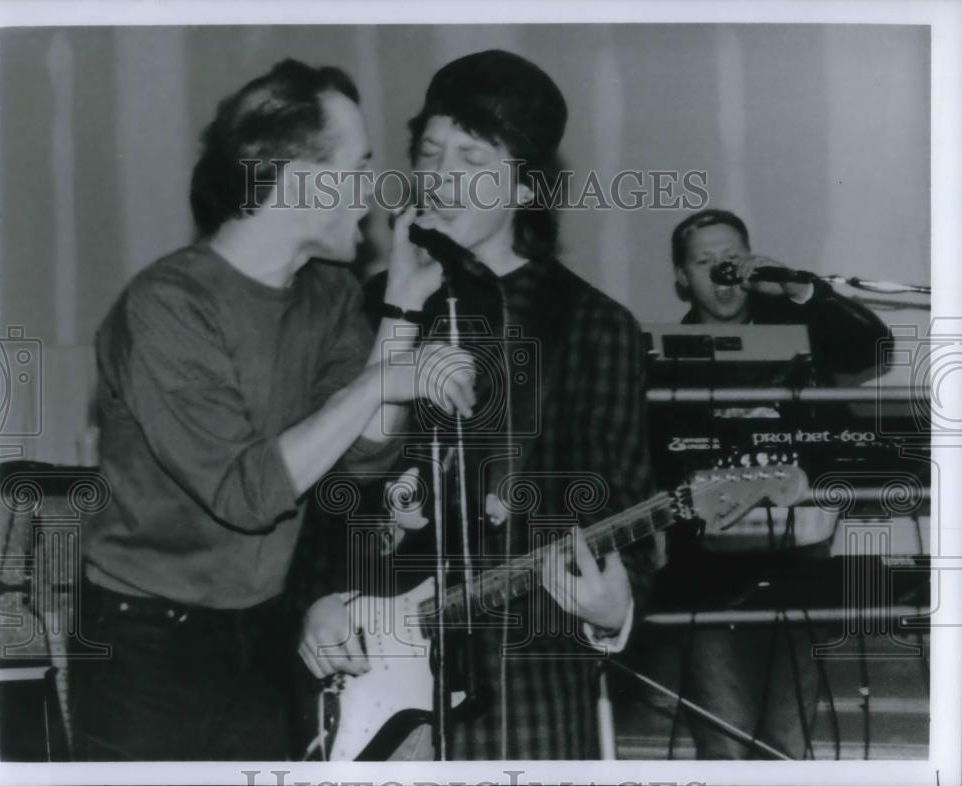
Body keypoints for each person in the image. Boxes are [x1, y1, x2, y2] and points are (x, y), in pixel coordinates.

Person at [69, 58, 475, 761]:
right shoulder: (168, 306)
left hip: (260, 626)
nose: (375, 191)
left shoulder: (328, 293)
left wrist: (403, 307)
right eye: (360, 165)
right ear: (301, 180)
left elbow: (367, 453)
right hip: (145, 643)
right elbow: (248, 493)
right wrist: (381, 382)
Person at [296, 49, 658, 761]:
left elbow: (624, 507)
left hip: (528, 681)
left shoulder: (591, 324)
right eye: (430, 153)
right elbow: (329, 491)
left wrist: (617, 607)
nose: (441, 177)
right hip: (373, 675)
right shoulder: (368, 308)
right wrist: (317, 598)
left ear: (526, 186)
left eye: (471, 158)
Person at [663, 208, 891, 759]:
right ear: (682, 278)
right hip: (708, 583)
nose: (722, 271)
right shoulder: (662, 358)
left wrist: (800, 290)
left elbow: (875, 349)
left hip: (798, 569)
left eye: (732, 258)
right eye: (705, 261)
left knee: (787, 746)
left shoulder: (799, 332)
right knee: (726, 745)